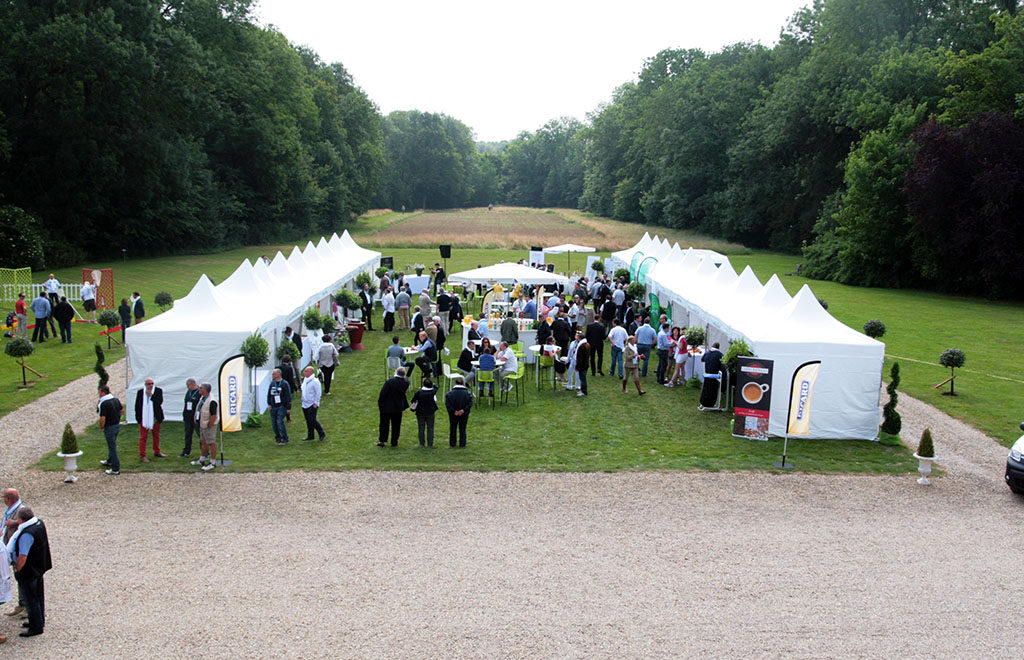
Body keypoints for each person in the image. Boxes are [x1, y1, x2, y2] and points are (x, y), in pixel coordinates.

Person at [10, 507, 51, 637]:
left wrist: (17, 568)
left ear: (21, 520)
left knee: (31, 598)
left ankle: (36, 626)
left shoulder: (26, 534)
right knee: (38, 595)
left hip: (29, 570)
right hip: (39, 566)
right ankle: (38, 620)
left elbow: (23, 555)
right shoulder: (39, 523)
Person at [3, 488, 24, 619]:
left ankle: (26, 606)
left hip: (17, 551)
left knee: (22, 578)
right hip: (10, 549)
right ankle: (22, 604)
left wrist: (14, 522)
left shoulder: (20, 510)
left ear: (8, 499)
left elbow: (28, 522)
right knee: (18, 578)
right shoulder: (11, 510)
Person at [134, 377, 167, 462]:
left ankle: (157, 451)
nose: (151, 385)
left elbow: (159, 402)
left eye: (152, 383)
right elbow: (137, 406)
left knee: (156, 435)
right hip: (144, 418)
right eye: (149, 384)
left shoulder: (158, 391)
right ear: (145, 385)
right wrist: (139, 419)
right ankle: (142, 455)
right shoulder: (140, 392)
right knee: (143, 437)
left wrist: (151, 395)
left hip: (155, 417)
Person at [377, 367, 409, 447]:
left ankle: (382, 441)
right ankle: (394, 441)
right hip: (398, 406)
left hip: (387, 406)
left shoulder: (390, 382)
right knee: (396, 425)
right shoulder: (406, 382)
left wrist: (380, 403)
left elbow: (383, 394)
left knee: (384, 424)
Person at [190, 383, 219, 470]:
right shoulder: (202, 398)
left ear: (205, 390)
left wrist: (210, 424)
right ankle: (202, 459)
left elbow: (214, 415)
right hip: (202, 424)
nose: (199, 389)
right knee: (203, 441)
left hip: (208, 425)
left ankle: (212, 462)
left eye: (201, 388)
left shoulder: (212, 401)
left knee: (211, 443)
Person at [98, 385, 122, 475]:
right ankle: (109, 460)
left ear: (103, 393)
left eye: (99, 392)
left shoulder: (104, 403)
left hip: (109, 427)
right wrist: (117, 418)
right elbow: (121, 410)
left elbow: (103, 418)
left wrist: (102, 427)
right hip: (116, 426)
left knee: (112, 447)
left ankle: (115, 468)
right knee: (112, 444)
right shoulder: (115, 400)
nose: (99, 394)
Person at [445, 376, 473, 447]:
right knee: (463, 428)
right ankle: (462, 443)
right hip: (464, 413)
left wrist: (454, 411)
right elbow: (470, 403)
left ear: (455, 383)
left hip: (453, 414)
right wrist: (463, 410)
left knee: (453, 428)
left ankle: (452, 443)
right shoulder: (468, 394)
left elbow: (448, 405)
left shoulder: (449, 394)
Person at [300, 366, 326, 442]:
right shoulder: (305, 380)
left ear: (310, 372)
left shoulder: (315, 381)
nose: (304, 373)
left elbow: (318, 393)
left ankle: (321, 433)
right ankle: (310, 435)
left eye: (306, 371)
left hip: (312, 404)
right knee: (308, 420)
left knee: (312, 420)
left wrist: (316, 402)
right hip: (305, 403)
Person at [411, 377, 439, 447]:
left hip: (420, 412)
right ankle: (430, 443)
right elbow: (436, 388)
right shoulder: (432, 392)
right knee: (430, 428)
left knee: (421, 428)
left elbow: (413, 400)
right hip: (430, 412)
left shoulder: (419, 392)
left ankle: (422, 443)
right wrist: (433, 384)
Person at [267, 369, 292, 445]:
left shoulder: (284, 384)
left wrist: (288, 407)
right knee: (274, 423)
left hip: (282, 406)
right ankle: (278, 438)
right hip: (273, 406)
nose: (273, 375)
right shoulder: (272, 383)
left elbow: (288, 396)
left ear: (278, 374)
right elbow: (269, 395)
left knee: (280, 422)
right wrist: (269, 404)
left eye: (274, 374)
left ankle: (285, 438)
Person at [700, 342, 725, 408]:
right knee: (712, 390)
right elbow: (723, 364)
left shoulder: (707, 353)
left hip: (707, 374)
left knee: (705, 389)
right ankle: (710, 404)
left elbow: (702, 360)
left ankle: (703, 402)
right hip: (715, 375)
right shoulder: (720, 355)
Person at [181, 378, 201, 457]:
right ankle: (186, 451)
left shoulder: (199, 393)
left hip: (196, 418)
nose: (187, 387)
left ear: (192, 384)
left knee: (201, 435)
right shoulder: (188, 392)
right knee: (188, 435)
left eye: (188, 385)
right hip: (188, 417)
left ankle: (205, 453)